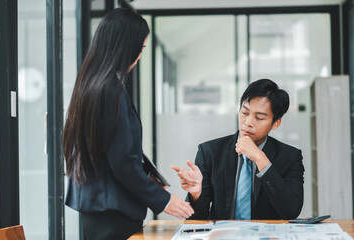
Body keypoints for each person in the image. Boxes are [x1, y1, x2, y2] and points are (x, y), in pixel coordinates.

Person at [62, 8, 193, 240]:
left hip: (97, 208)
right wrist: (162, 201)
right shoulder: (110, 90)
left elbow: (109, 153)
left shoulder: (89, 84)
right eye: (140, 49)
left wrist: (149, 183)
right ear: (124, 46)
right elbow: (122, 162)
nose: (140, 56)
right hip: (114, 213)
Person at [171, 79, 304, 220]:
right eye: (245, 113)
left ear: (275, 123)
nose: (248, 123)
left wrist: (260, 159)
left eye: (259, 118)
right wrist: (196, 194)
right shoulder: (210, 152)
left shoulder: (290, 157)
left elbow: (291, 211)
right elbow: (196, 219)